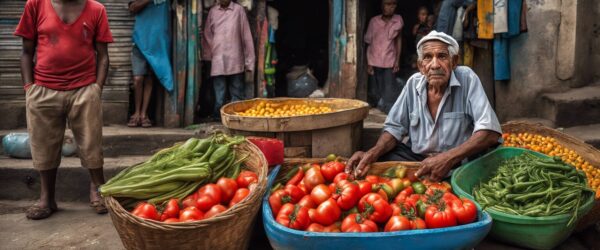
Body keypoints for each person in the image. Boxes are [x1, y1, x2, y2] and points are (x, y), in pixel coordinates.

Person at [346, 31, 501, 182]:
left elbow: (490, 132)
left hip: (457, 159)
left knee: (486, 161)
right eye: (428, 57)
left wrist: (447, 158)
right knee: (379, 161)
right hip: (418, 159)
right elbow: (395, 127)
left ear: (454, 62)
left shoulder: (467, 78)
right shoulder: (414, 83)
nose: (435, 65)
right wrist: (373, 152)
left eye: (442, 56)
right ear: (421, 66)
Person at [15, 0, 113, 219]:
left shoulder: (97, 9)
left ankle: (97, 190)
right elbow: (26, 52)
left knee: (91, 143)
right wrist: (29, 88)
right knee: (44, 147)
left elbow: (103, 55)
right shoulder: (35, 5)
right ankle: (46, 199)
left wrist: (96, 88)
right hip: (42, 90)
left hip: (85, 89)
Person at [203, 0, 255, 120]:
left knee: (236, 92)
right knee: (219, 94)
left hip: (235, 59)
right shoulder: (213, 12)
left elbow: (246, 36)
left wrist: (249, 61)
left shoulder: (238, 10)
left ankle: (236, 119)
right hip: (218, 60)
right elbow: (207, 35)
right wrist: (208, 58)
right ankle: (218, 118)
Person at [365, 0, 404, 113]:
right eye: (387, 4)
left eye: (393, 4)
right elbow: (369, 43)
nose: (390, 7)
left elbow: (399, 41)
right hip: (374, 59)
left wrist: (397, 60)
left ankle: (389, 112)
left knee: (389, 89)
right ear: (382, 6)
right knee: (375, 89)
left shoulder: (398, 20)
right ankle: (378, 107)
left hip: (389, 59)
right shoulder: (374, 21)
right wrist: (369, 62)